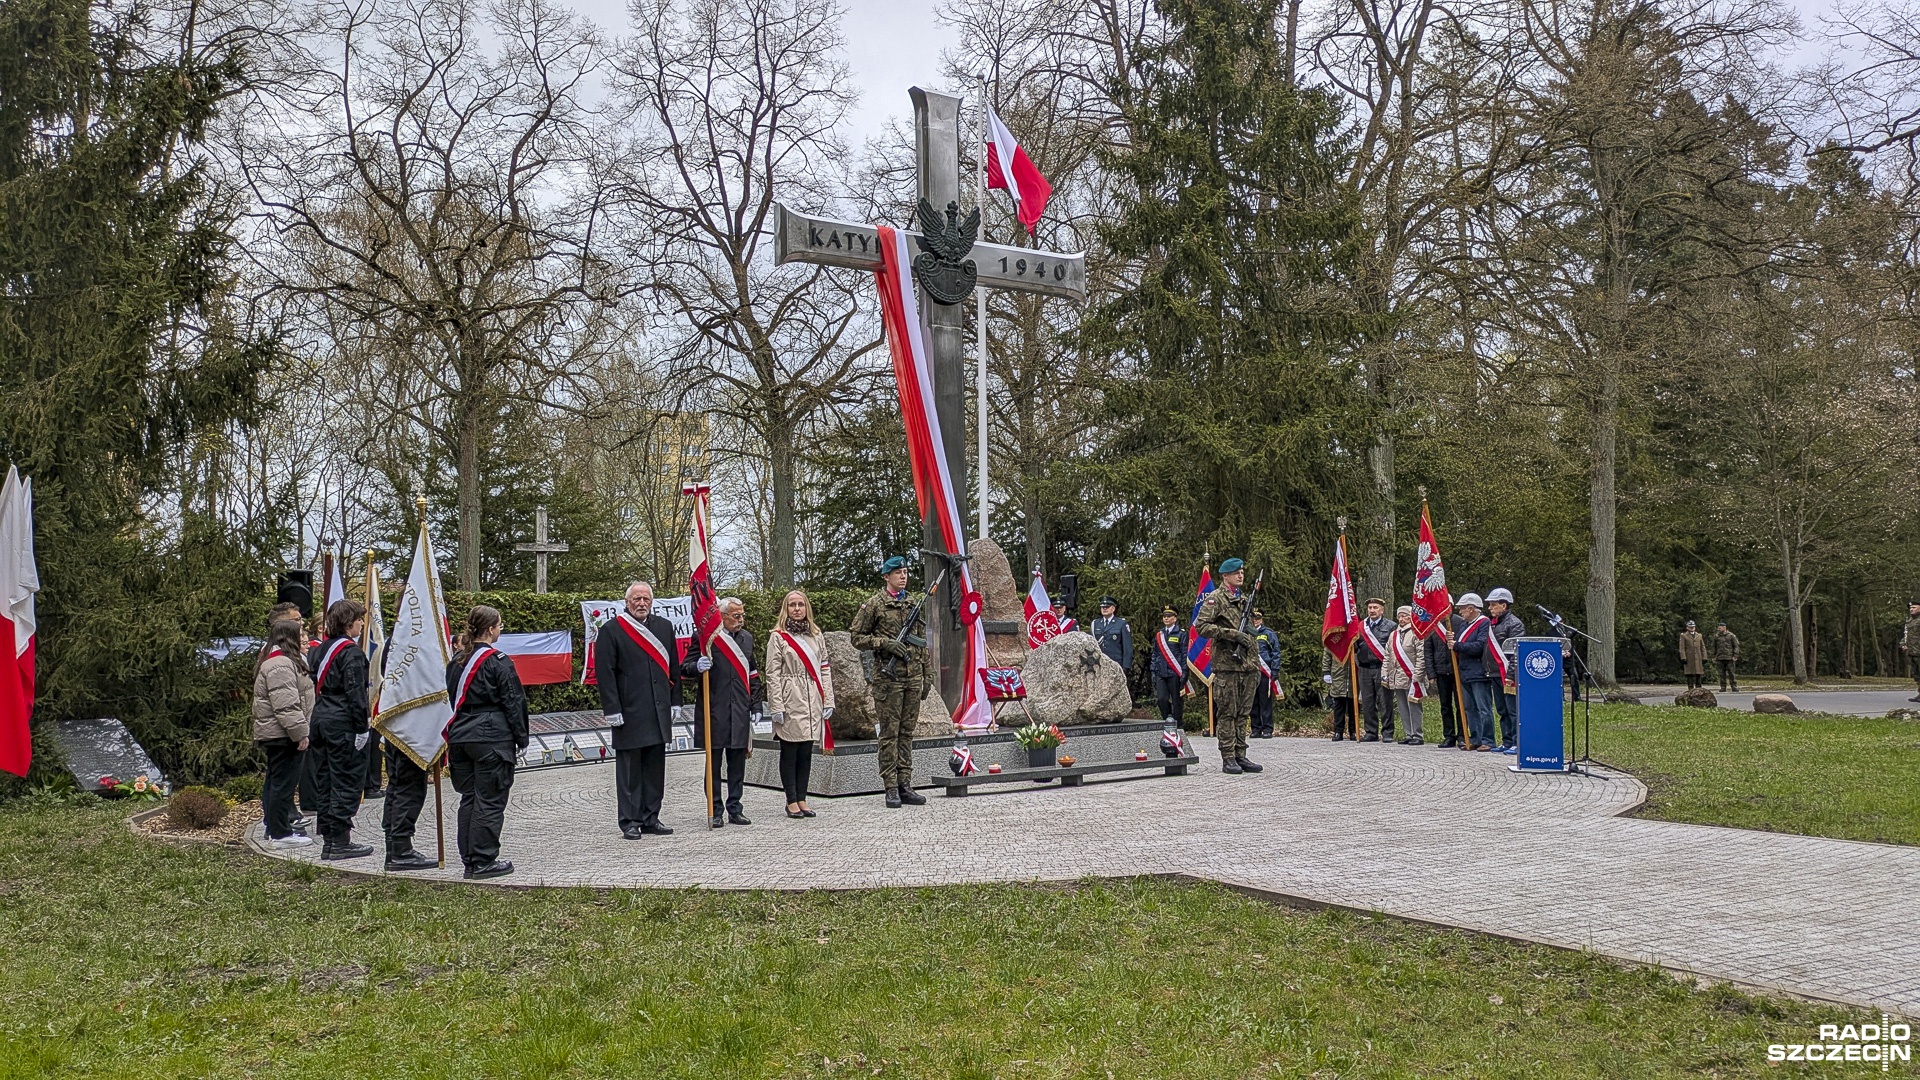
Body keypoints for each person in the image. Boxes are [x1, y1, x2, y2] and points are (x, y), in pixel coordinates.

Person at [443, 605, 527, 879]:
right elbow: (514, 701)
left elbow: (452, 696)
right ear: (490, 629)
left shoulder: (456, 662)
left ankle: (469, 859)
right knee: (489, 800)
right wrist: (521, 737)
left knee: (469, 798)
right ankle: (483, 860)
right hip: (491, 737)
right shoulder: (498, 661)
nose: (500, 630)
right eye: (499, 625)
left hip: (460, 736)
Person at [598, 581, 682, 839]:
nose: (641, 603)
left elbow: (673, 667)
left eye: (646, 599)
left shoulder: (664, 627)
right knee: (630, 772)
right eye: (636, 599)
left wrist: (676, 701)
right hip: (629, 711)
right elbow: (605, 673)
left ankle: (650, 817)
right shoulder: (611, 630)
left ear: (652, 602)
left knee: (655, 769)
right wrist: (612, 708)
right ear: (627, 602)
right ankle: (630, 821)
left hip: (658, 709)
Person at [850, 556, 931, 808]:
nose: (903, 576)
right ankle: (891, 786)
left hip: (912, 676)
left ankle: (905, 783)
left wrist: (927, 674)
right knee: (889, 734)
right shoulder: (874, 605)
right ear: (887, 577)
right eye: (898, 573)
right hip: (888, 679)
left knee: (906, 733)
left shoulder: (912, 602)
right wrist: (884, 643)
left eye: (905, 572)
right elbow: (856, 637)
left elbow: (921, 641)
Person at [307, 600, 373, 861]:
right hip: (343, 721)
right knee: (346, 780)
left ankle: (329, 839)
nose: (361, 624)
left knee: (326, 781)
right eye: (358, 619)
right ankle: (341, 841)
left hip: (321, 717)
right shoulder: (352, 653)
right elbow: (356, 692)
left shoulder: (320, 649)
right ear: (348, 624)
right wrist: (362, 727)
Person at [685, 596, 757, 829]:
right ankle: (715, 809)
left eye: (742, 615)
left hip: (740, 709)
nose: (741, 619)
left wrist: (756, 705)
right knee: (714, 764)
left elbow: (753, 674)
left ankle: (735, 808)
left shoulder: (747, 639)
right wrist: (697, 666)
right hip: (714, 709)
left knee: (737, 763)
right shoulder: (706, 638)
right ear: (722, 616)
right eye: (736, 616)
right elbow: (685, 666)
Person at [765, 589, 833, 820]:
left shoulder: (816, 634)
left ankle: (803, 797)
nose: (796, 609)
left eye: (800, 605)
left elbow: (824, 668)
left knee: (806, 751)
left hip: (813, 698)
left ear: (807, 608)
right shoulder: (778, 637)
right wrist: (776, 706)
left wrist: (828, 699)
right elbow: (772, 673)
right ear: (786, 609)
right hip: (790, 697)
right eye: (792, 605)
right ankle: (791, 799)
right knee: (790, 750)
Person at [1193, 557, 1262, 774]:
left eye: (1242, 572)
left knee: (1243, 714)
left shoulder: (1243, 599)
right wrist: (1231, 634)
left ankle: (1241, 754)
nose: (1240, 575)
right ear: (1225, 576)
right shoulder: (1216, 599)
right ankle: (1228, 757)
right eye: (1236, 573)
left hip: (1248, 665)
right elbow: (1201, 626)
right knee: (1227, 713)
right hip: (1227, 665)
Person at [252, 619, 314, 848]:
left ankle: (274, 829)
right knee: (282, 785)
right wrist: (300, 733)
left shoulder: (277, 661)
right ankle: (280, 833)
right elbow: (286, 705)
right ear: (289, 636)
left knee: (276, 782)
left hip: (277, 732)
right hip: (282, 734)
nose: (304, 637)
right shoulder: (281, 664)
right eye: (300, 633)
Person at [1451, 593, 1499, 751]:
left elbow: (1479, 646)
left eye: (1462, 609)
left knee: (1483, 707)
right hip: (1465, 671)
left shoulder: (1484, 623)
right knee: (1469, 708)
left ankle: (1488, 739)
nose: (1460, 612)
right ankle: (1476, 737)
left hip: (1479, 671)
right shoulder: (1464, 625)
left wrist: (1456, 645)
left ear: (1471, 608)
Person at [1486, 588, 1525, 752]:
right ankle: (1507, 740)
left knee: (1512, 710)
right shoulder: (1492, 624)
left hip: (1509, 674)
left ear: (1504, 605)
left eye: (1493, 605)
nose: (1490, 608)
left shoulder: (1514, 624)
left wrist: (1511, 675)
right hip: (1495, 672)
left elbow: (1517, 652)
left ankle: (1517, 742)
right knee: (1502, 709)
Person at [1383, 605, 1426, 745]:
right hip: (1397, 675)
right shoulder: (1393, 635)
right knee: (1402, 706)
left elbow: (1421, 656)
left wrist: (1418, 675)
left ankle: (1417, 734)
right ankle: (1408, 733)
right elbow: (1387, 656)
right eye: (1399, 616)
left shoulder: (1416, 633)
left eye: (1405, 616)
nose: (1401, 619)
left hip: (1411, 674)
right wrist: (1385, 673)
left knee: (1414, 705)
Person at [1424, 609, 1465, 749]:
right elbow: (1428, 650)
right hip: (1441, 670)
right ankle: (1449, 735)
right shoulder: (1433, 624)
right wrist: (1431, 673)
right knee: (1445, 706)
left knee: (1461, 705)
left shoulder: (1460, 622)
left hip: (1457, 670)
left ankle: (1462, 735)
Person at [1355, 598, 1393, 742]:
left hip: (1381, 668)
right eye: (1370, 608)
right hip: (1364, 668)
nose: (1372, 610)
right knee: (1367, 702)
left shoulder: (1390, 626)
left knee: (1385, 701)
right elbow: (1356, 646)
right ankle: (1370, 732)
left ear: (1382, 610)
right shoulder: (1360, 626)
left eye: (1375, 607)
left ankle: (1387, 732)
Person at [1149, 607, 1190, 727]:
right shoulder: (1159, 634)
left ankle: (1177, 724)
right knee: (1161, 699)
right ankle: (1167, 721)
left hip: (1175, 672)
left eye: (1169, 616)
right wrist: (1153, 670)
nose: (1166, 618)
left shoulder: (1181, 634)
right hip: (1161, 672)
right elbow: (1155, 653)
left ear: (1175, 618)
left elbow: (1184, 654)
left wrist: (1184, 671)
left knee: (1177, 700)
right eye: (1164, 616)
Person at [1249, 609, 1283, 738]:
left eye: (1257, 618)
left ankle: (1267, 728)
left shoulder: (1268, 634)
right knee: (1253, 701)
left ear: (1261, 619)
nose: (1255, 621)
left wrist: (1275, 669)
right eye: (1253, 618)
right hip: (1251, 672)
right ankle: (1255, 729)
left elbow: (1276, 652)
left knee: (1265, 701)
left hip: (1265, 673)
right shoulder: (1247, 633)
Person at [1091, 598, 1133, 671]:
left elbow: (1127, 647)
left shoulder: (1121, 624)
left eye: (1107, 607)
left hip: (1116, 664)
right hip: (1099, 664)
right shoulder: (1095, 624)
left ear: (1113, 608)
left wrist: (1126, 667)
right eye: (1102, 607)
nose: (1104, 609)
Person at [1322, 647, 1354, 741]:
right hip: (1338, 675)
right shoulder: (1334, 640)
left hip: (1353, 675)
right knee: (1339, 706)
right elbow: (1327, 654)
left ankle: (1353, 731)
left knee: (1353, 707)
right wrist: (1326, 671)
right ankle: (1338, 732)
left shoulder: (1355, 638)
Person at [1678, 620, 1708, 690]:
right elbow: (1682, 648)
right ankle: (1690, 688)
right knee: (1689, 673)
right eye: (1690, 627)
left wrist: (1704, 657)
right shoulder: (1684, 636)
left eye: (1693, 627)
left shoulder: (1699, 635)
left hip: (1698, 657)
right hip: (1689, 657)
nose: (1692, 628)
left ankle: (1699, 688)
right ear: (1687, 627)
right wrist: (1683, 657)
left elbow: (1702, 647)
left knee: (1698, 673)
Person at [1713, 620, 1741, 692]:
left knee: (1731, 673)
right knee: (1721, 673)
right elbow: (1714, 646)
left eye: (1720, 628)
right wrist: (1714, 655)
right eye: (1718, 628)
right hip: (1720, 657)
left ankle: (1734, 686)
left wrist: (1735, 655)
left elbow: (1736, 646)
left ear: (1724, 627)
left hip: (1729, 657)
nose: (1718, 629)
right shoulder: (1716, 636)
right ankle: (1723, 687)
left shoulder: (1731, 636)